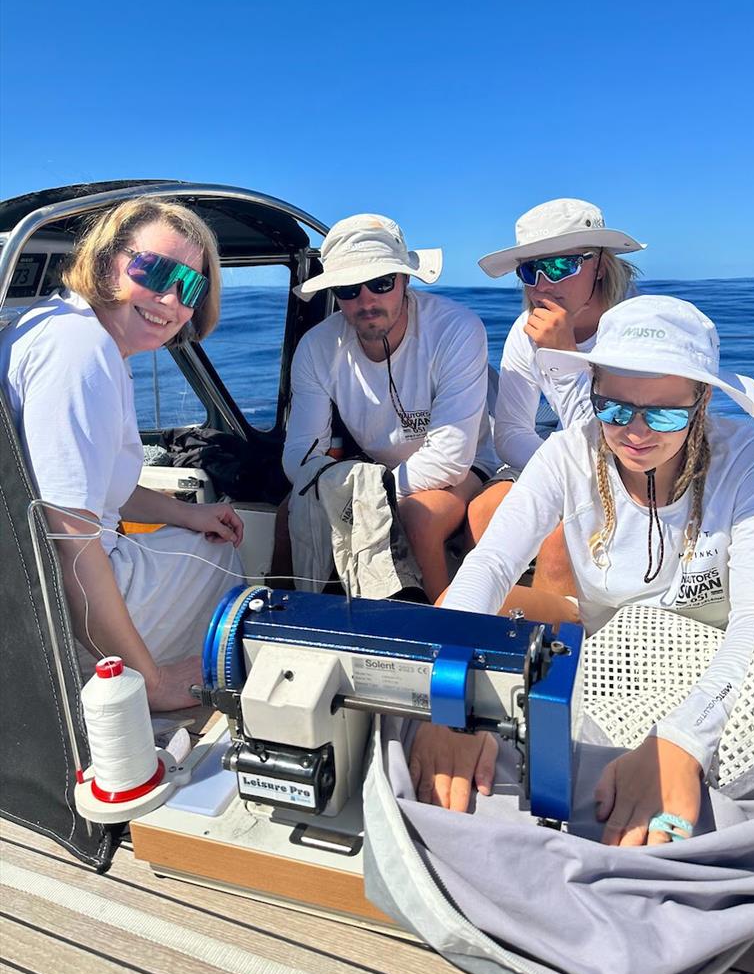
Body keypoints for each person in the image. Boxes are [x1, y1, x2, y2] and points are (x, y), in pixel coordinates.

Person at [411, 294, 754, 845]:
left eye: (663, 413)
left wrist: (685, 740)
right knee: (465, 615)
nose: (635, 432)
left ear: (703, 401)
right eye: (613, 408)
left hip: (712, 650)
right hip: (605, 642)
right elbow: (492, 564)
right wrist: (447, 699)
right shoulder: (568, 452)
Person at [0, 198, 244, 711]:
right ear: (106, 259)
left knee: (206, 536)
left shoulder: (58, 326)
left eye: (191, 288)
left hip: (39, 590)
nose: (172, 299)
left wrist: (190, 513)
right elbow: (71, 539)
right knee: (223, 562)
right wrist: (148, 683)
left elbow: (96, 485)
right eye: (154, 270)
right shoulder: (82, 351)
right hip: (58, 619)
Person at [278, 213, 497, 602]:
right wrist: (355, 489)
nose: (366, 300)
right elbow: (299, 453)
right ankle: (287, 618)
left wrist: (370, 494)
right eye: (348, 288)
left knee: (418, 517)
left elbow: (451, 457)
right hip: (379, 473)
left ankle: (443, 622)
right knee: (287, 513)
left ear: (405, 280)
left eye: (380, 283)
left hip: (469, 466)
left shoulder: (456, 329)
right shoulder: (316, 347)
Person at [465, 198, 645, 610]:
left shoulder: (638, 329)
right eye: (529, 270)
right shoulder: (524, 333)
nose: (543, 283)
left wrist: (565, 359)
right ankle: (491, 622)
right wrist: (561, 476)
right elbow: (509, 435)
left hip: (642, 470)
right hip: (568, 460)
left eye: (561, 266)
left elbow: (622, 447)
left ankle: (549, 651)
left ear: (599, 263)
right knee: (483, 511)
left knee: (560, 543)